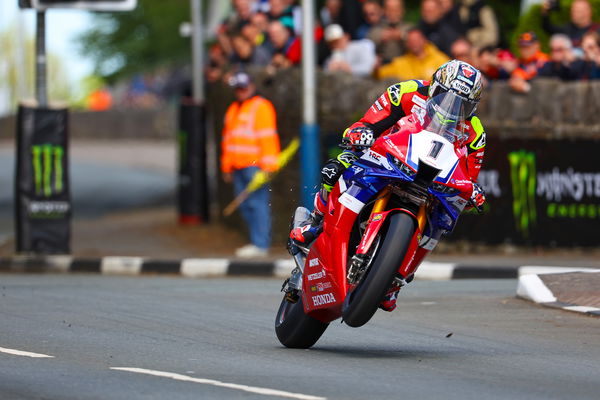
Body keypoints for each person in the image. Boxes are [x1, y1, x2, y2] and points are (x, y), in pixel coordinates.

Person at [290, 60, 487, 310]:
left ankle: (397, 279)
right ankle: (315, 221)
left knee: (445, 217)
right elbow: (370, 121)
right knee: (340, 164)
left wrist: (473, 193)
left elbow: (468, 177)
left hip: (431, 180)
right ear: (435, 87)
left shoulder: (476, 132)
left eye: (463, 105)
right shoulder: (406, 92)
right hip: (386, 156)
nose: (451, 109)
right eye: (446, 97)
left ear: (473, 107)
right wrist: (360, 133)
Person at [221, 72, 281, 258]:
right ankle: (257, 242)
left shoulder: (261, 107)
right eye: (238, 88)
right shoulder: (233, 109)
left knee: (257, 204)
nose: (241, 91)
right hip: (238, 166)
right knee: (247, 205)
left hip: (254, 166)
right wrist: (226, 166)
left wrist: (268, 166)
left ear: (252, 86)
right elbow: (228, 140)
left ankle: (260, 244)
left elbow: (268, 137)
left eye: (243, 87)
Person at [377, 28, 449, 81]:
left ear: (424, 40)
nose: (414, 43)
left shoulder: (439, 58)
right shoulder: (400, 63)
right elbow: (380, 73)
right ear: (407, 44)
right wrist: (376, 68)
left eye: (416, 40)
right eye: (410, 41)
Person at [368, 0, 411, 64]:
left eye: (396, 9)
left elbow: (417, 42)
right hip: (384, 66)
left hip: (405, 66)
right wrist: (381, 37)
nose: (393, 12)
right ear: (384, 11)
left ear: (402, 10)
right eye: (390, 9)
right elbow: (368, 41)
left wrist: (402, 36)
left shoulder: (410, 28)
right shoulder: (377, 28)